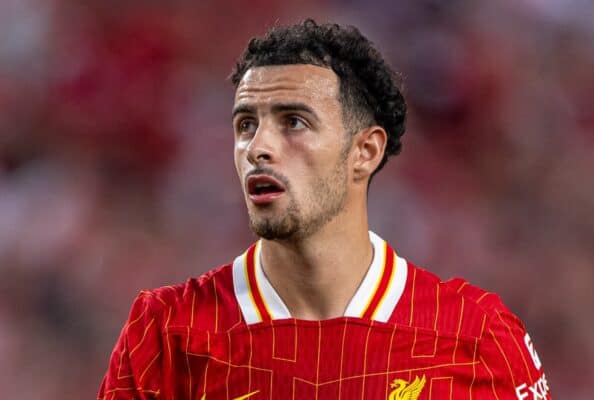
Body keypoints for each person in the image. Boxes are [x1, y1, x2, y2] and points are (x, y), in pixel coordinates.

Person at [98, 20, 551, 400]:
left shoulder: (477, 336)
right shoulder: (166, 335)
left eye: (293, 122)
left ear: (365, 151)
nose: (259, 147)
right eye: (246, 124)